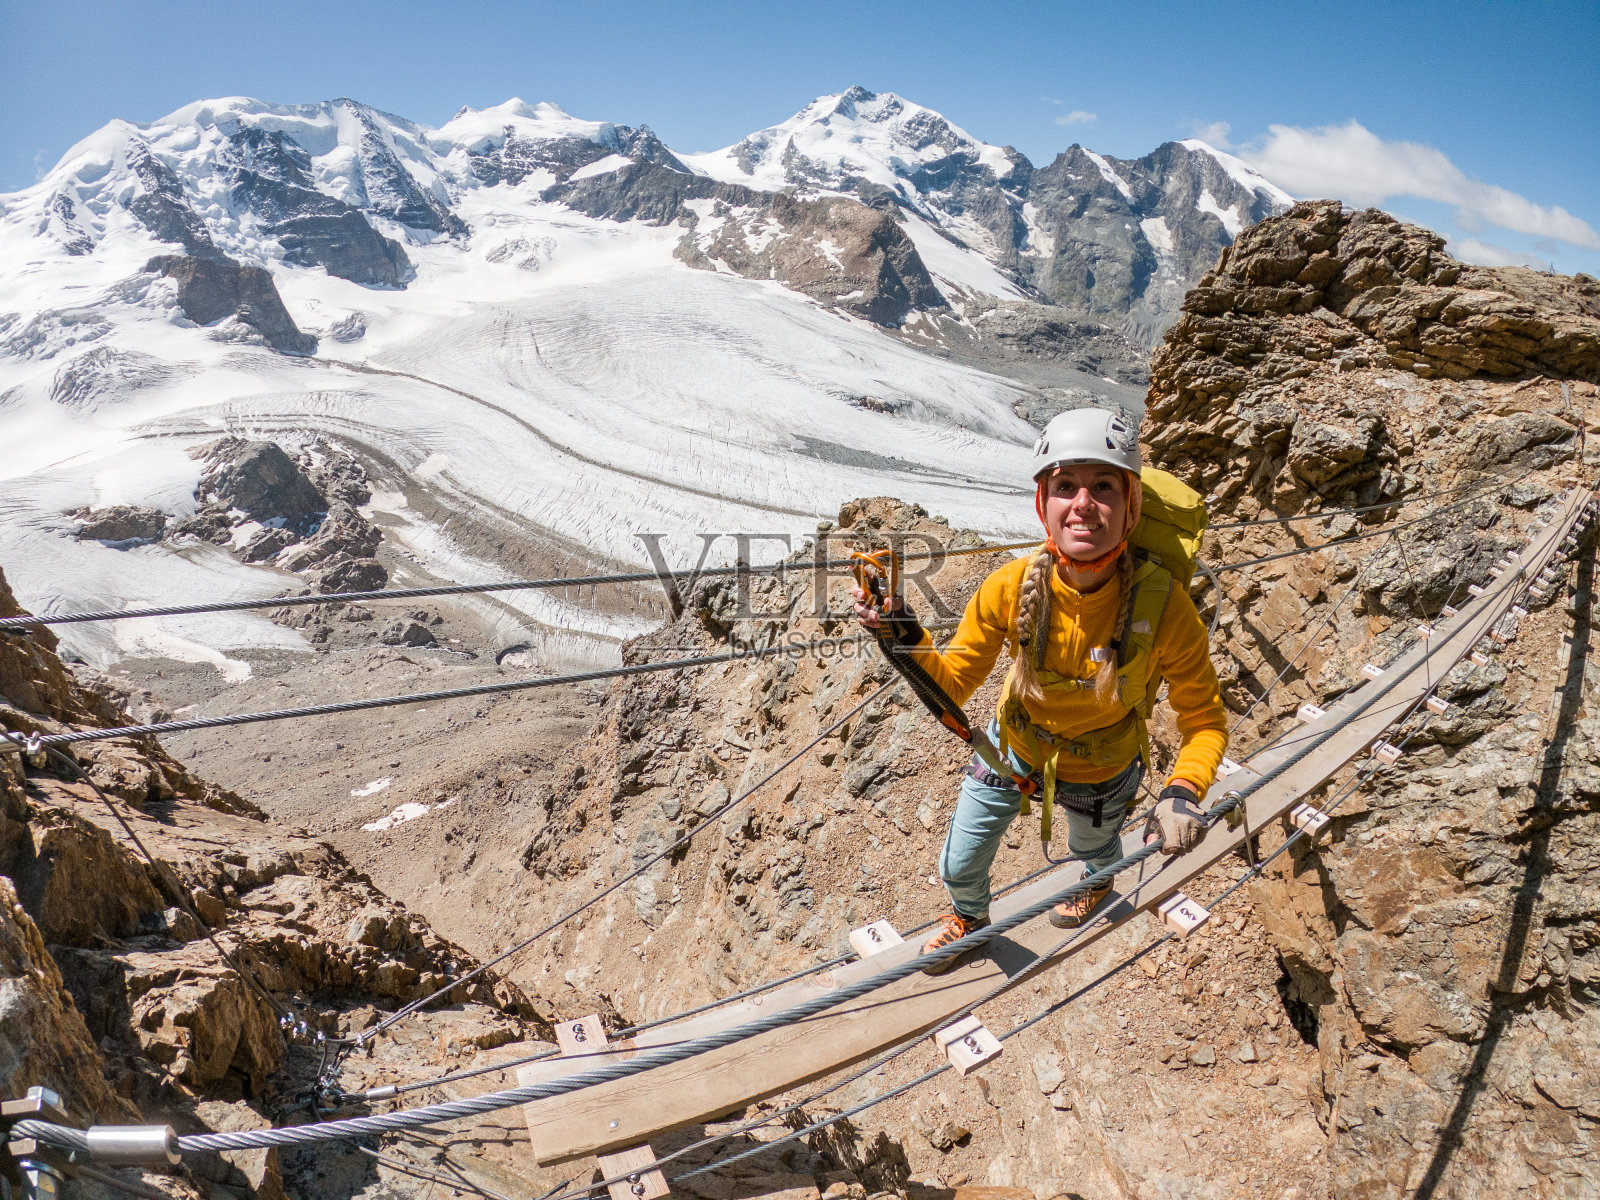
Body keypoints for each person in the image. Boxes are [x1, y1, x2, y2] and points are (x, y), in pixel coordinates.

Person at [853, 408, 1228, 971]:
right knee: (959, 864)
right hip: (1012, 747)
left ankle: (1097, 880)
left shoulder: (1165, 607)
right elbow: (954, 680)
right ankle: (971, 917)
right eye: (1065, 486)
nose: (1083, 504)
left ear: (1130, 508)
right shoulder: (1009, 587)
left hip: (1101, 766)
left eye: (1104, 486)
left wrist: (1183, 790)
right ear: (1043, 506)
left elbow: (1205, 722)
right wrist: (903, 631)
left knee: (1094, 849)